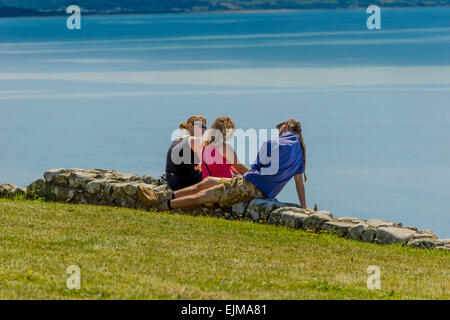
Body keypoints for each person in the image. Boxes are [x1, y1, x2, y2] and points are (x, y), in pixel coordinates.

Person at [139, 118, 311, 212]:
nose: (279, 131)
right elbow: (298, 181)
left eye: (281, 128)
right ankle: (160, 197)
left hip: (252, 186)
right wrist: (303, 205)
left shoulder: (273, 142)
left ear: (287, 126)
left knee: (205, 194)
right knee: (208, 182)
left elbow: (257, 167)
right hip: (259, 187)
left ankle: (161, 206)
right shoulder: (300, 152)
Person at [164, 115, 206, 191]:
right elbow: (204, 164)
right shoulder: (194, 140)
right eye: (200, 126)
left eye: (204, 127)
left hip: (171, 182)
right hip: (184, 183)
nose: (203, 129)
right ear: (190, 127)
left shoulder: (178, 139)